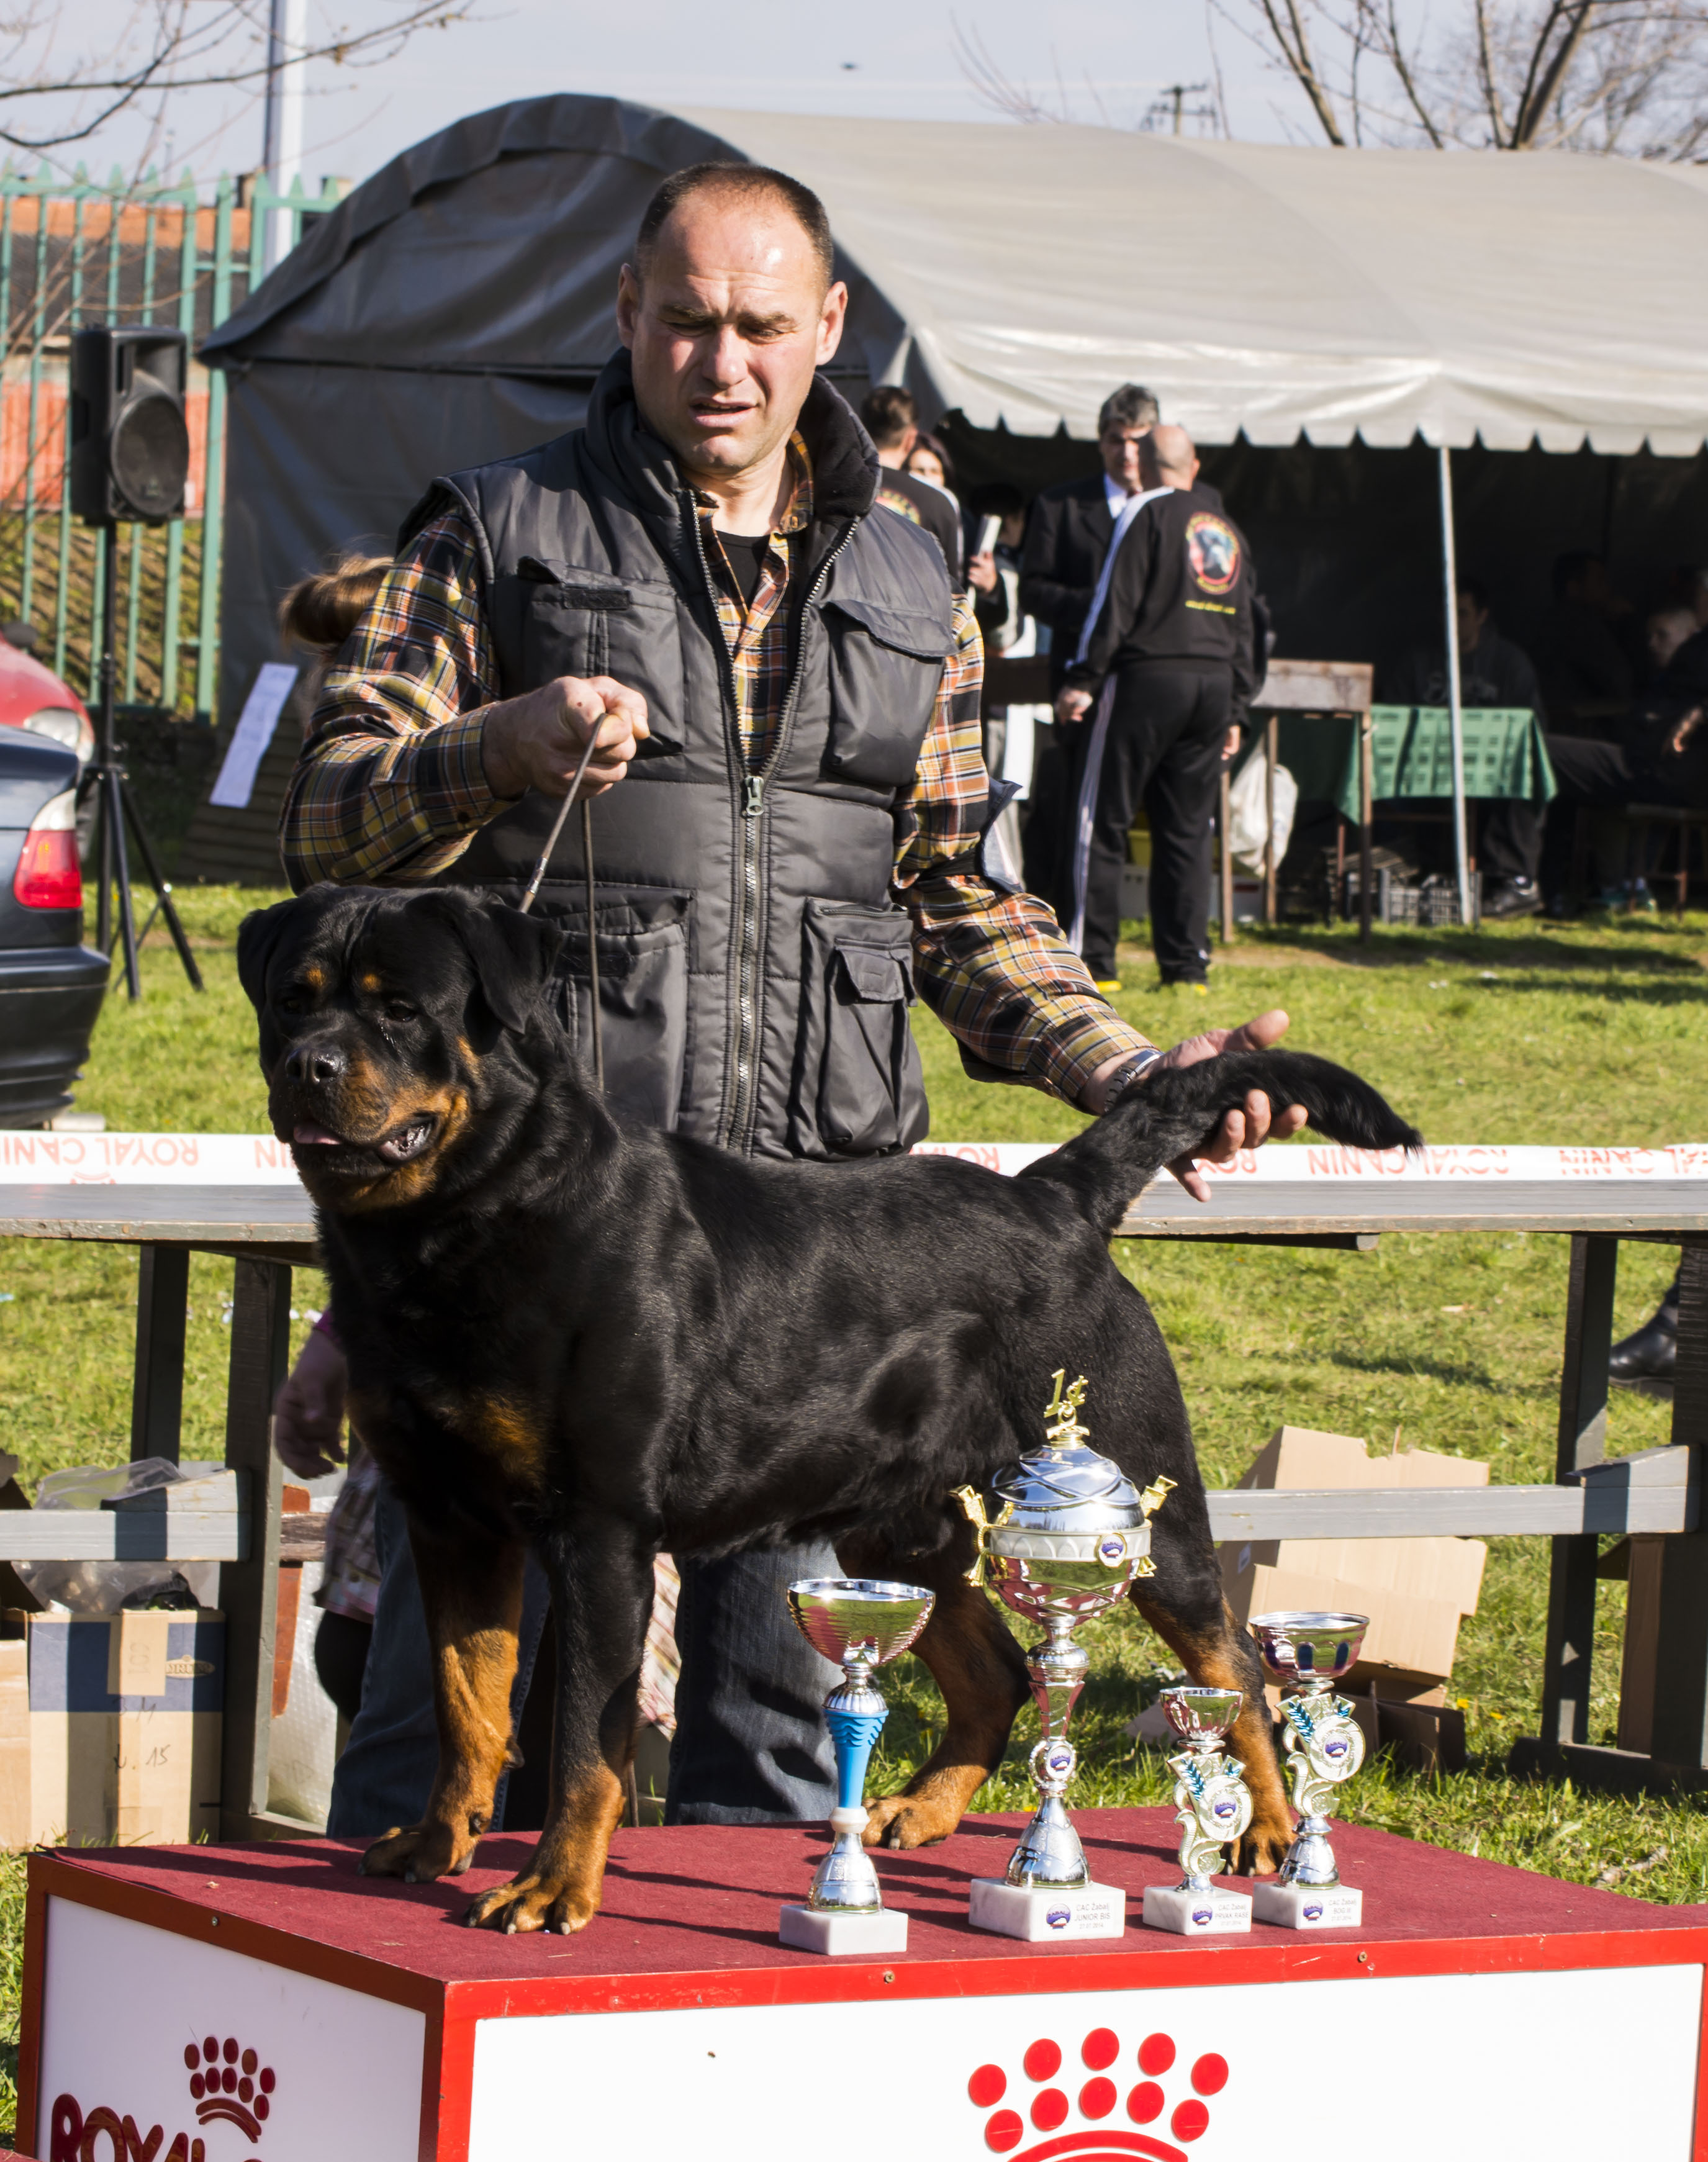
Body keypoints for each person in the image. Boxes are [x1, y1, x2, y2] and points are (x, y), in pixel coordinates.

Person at [269, 160, 1305, 1842]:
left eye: (760, 324)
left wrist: (1133, 1069)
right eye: (683, 321)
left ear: (826, 328)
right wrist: (495, 747)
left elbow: (956, 901)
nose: (722, 361)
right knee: (434, 1754)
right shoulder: (495, 527)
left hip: (801, 1279)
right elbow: (327, 808)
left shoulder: (916, 578)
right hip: (534, 1249)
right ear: (624, 315)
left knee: (771, 1754)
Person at [1055, 424, 1255, 992]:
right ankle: (1186, 966)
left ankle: (1092, 961)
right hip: (1213, 684)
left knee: (1102, 820)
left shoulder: (1142, 511)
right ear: (1193, 466)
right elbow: (1247, 623)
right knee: (1188, 829)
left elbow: (1112, 602)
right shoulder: (1225, 527)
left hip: (1147, 677)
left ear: (1142, 462)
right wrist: (1237, 706)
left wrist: (1083, 678)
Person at [1016, 385, 1160, 919]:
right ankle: (1074, 929)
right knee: (1079, 812)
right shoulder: (1062, 505)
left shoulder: (1170, 510)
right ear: (1100, 443)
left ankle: (1182, 954)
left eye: (1139, 442)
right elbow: (1033, 591)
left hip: (1154, 682)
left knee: (1160, 815)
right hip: (1082, 680)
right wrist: (1105, 604)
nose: (1127, 454)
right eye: (1117, 441)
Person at [1391, 576, 1548, 920]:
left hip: (1492, 773)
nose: (1452, 621)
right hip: (1426, 767)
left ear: (1482, 616)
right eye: (1446, 612)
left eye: (1462, 613)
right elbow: (1393, 716)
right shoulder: (1416, 661)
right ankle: (1401, 872)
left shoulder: (1509, 662)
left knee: (1524, 777)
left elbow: (1531, 728)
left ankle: (1515, 883)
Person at [859, 384, 962, 585]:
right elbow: (952, 589)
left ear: (861, 430)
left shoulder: (831, 487)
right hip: (914, 613)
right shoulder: (938, 502)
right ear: (910, 439)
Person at [1539, 551, 1637, 738]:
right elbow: (1619, 679)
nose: (1607, 589)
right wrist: (1628, 624)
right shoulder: (1576, 624)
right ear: (1573, 588)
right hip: (1579, 730)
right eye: (1599, 581)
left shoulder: (1558, 621)